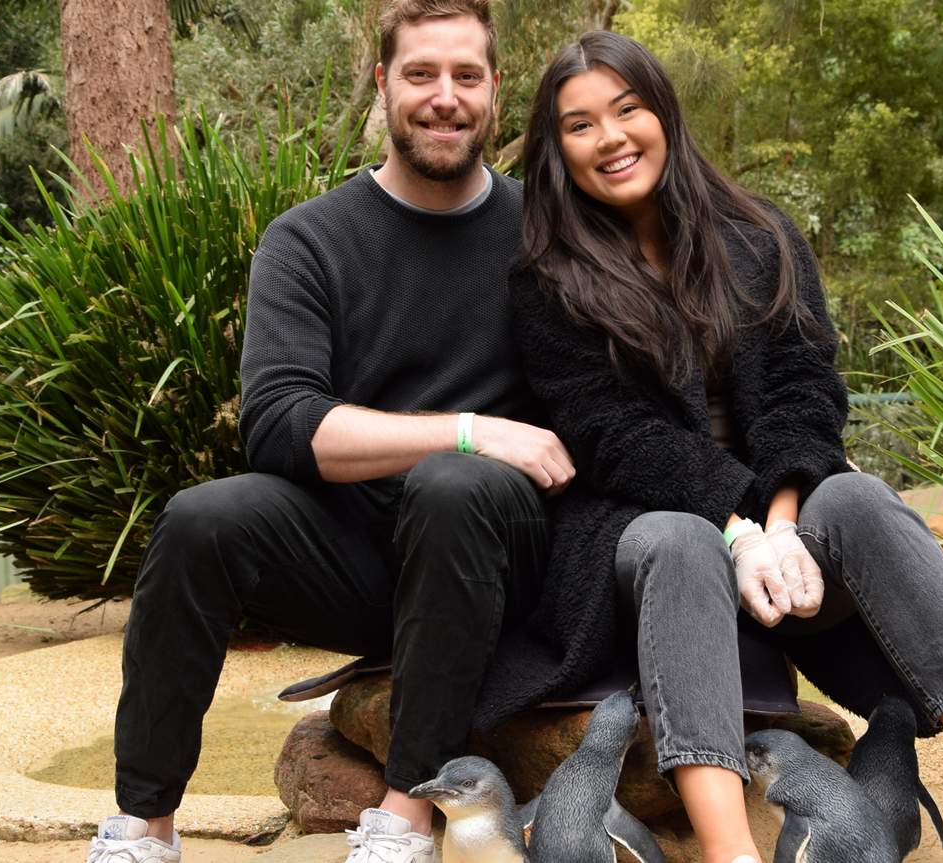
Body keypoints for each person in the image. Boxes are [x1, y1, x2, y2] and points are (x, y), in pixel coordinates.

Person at [503, 30, 943, 863]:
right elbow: (609, 436)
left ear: (663, 113)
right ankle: (729, 849)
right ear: (557, 148)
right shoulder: (546, 274)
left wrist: (777, 524)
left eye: (627, 110)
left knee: (854, 496)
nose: (611, 138)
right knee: (679, 540)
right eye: (580, 124)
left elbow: (803, 393)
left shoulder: (757, 233)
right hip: (636, 536)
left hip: (779, 536)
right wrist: (734, 532)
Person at [84, 3, 575, 862]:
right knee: (201, 518)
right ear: (384, 85)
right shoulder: (308, 239)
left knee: (453, 485)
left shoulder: (549, 233)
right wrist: (467, 428)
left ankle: (402, 822)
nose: (445, 97)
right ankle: (143, 827)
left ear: (496, 89)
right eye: (421, 74)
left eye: (467, 76)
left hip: (500, 556)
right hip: (357, 558)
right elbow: (277, 423)